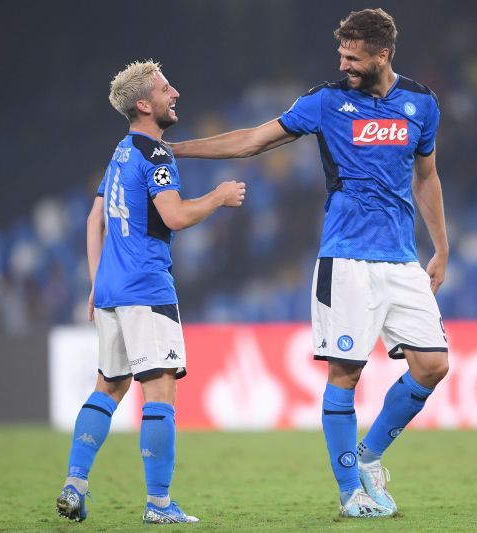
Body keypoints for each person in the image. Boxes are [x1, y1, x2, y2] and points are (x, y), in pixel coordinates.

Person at [171, 8, 449, 518]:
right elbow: (254, 140)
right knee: (345, 375)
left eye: (354, 57)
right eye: (341, 55)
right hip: (345, 258)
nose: (344, 64)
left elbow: (426, 177)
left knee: (433, 366)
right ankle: (351, 495)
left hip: (402, 259)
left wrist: (441, 248)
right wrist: (176, 149)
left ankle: (367, 458)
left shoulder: (421, 103)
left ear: (383, 55)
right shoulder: (326, 102)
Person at [55, 60, 246, 525]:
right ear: (145, 104)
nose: (174, 92)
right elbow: (176, 216)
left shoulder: (120, 152)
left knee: (109, 386)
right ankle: (159, 505)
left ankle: (74, 485)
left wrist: (96, 282)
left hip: (112, 292)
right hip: (146, 286)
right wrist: (219, 197)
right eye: (165, 88)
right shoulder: (156, 155)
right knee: (158, 395)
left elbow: (92, 220)